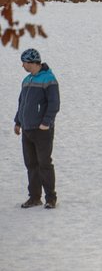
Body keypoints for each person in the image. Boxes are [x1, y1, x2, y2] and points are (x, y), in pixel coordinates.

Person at [14, 48, 60, 209]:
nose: (23, 66)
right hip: (27, 129)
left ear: (32, 62)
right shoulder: (27, 80)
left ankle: (51, 198)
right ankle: (34, 197)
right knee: (31, 164)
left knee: (44, 163)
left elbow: (54, 104)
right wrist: (18, 122)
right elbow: (22, 104)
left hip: (42, 130)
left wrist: (46, 122)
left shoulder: (49, 79)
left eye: (24, 62)